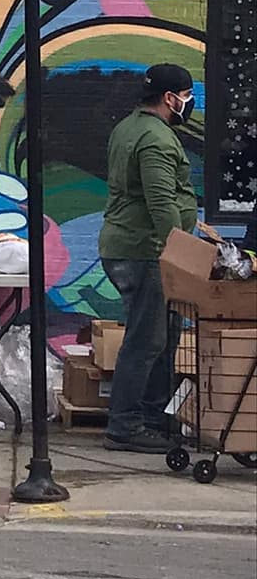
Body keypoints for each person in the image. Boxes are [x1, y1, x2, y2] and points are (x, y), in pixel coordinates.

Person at [98, 63, 199, 454]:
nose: (189, 103)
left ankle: (154, 417)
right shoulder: (155, 139)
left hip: (133, 247)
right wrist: (178, 253)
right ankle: (124, 425)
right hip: (144, 251)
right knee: (146, 339)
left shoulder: (129, 127)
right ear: (170, 98)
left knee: (164, 335)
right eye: (187, 96)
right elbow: (161, 203)